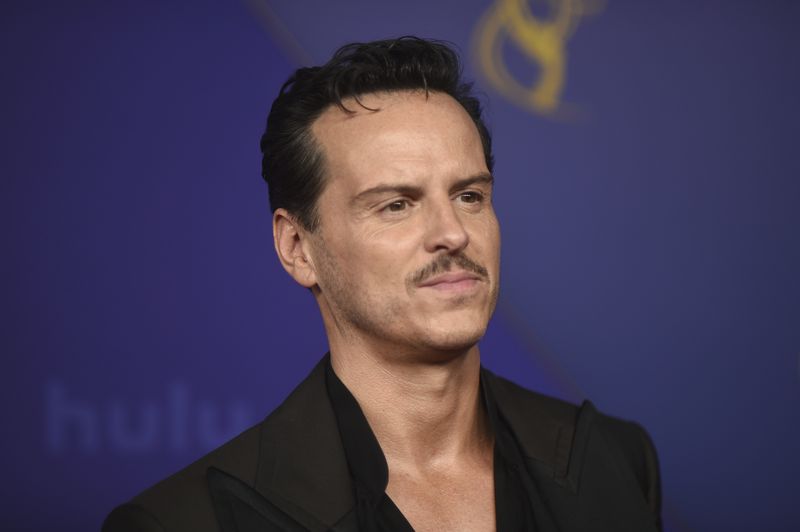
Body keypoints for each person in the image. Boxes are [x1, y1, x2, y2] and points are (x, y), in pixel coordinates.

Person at [103, 36, 662, 532]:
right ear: (298, 249)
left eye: (470, 196)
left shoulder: (613, 459)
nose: (452, 234)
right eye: (396, 205)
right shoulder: (181, 522)